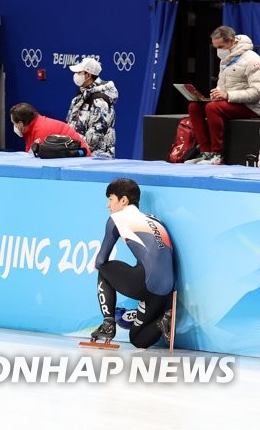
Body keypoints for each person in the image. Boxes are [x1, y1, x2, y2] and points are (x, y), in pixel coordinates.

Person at [88, 178, 174, 348]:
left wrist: (96, 265)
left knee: (104, 269)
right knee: (138, 340)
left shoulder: (117, 218)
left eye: (111, 199)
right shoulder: (155, 220)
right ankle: (163, 321)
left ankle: (108, 324)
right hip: (165, 291)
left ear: (124, 200)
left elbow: (100, 260)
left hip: (146, 283)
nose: (108, 205)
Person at [185, 26, 260, 165]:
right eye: (216, 47)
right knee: (194, 106)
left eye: (220, 46)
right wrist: (217, 93)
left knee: (213, 108)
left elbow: (257, 92)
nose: (218, 50)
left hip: (251, 107)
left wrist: (227, 95)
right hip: (230, 102)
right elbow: (222, 84)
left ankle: (217, 155)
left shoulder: (252, 59)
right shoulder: (226, 59)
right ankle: (206, 152)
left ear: (232, 41)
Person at [66, 57, 118, 158]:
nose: (75, 75)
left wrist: (73, 147)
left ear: (88, 75)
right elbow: (69, 124)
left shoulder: (100, 101)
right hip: (78, 154)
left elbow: (95, 135)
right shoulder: (80, 97)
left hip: (96, 160)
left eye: (79, 72)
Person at [10, 102, 91, 156]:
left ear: (20, 124)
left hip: (81, 159)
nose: (14, 126)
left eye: (14, 123)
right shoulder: (32, 126)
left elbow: (36, 160)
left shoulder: (41, 130)